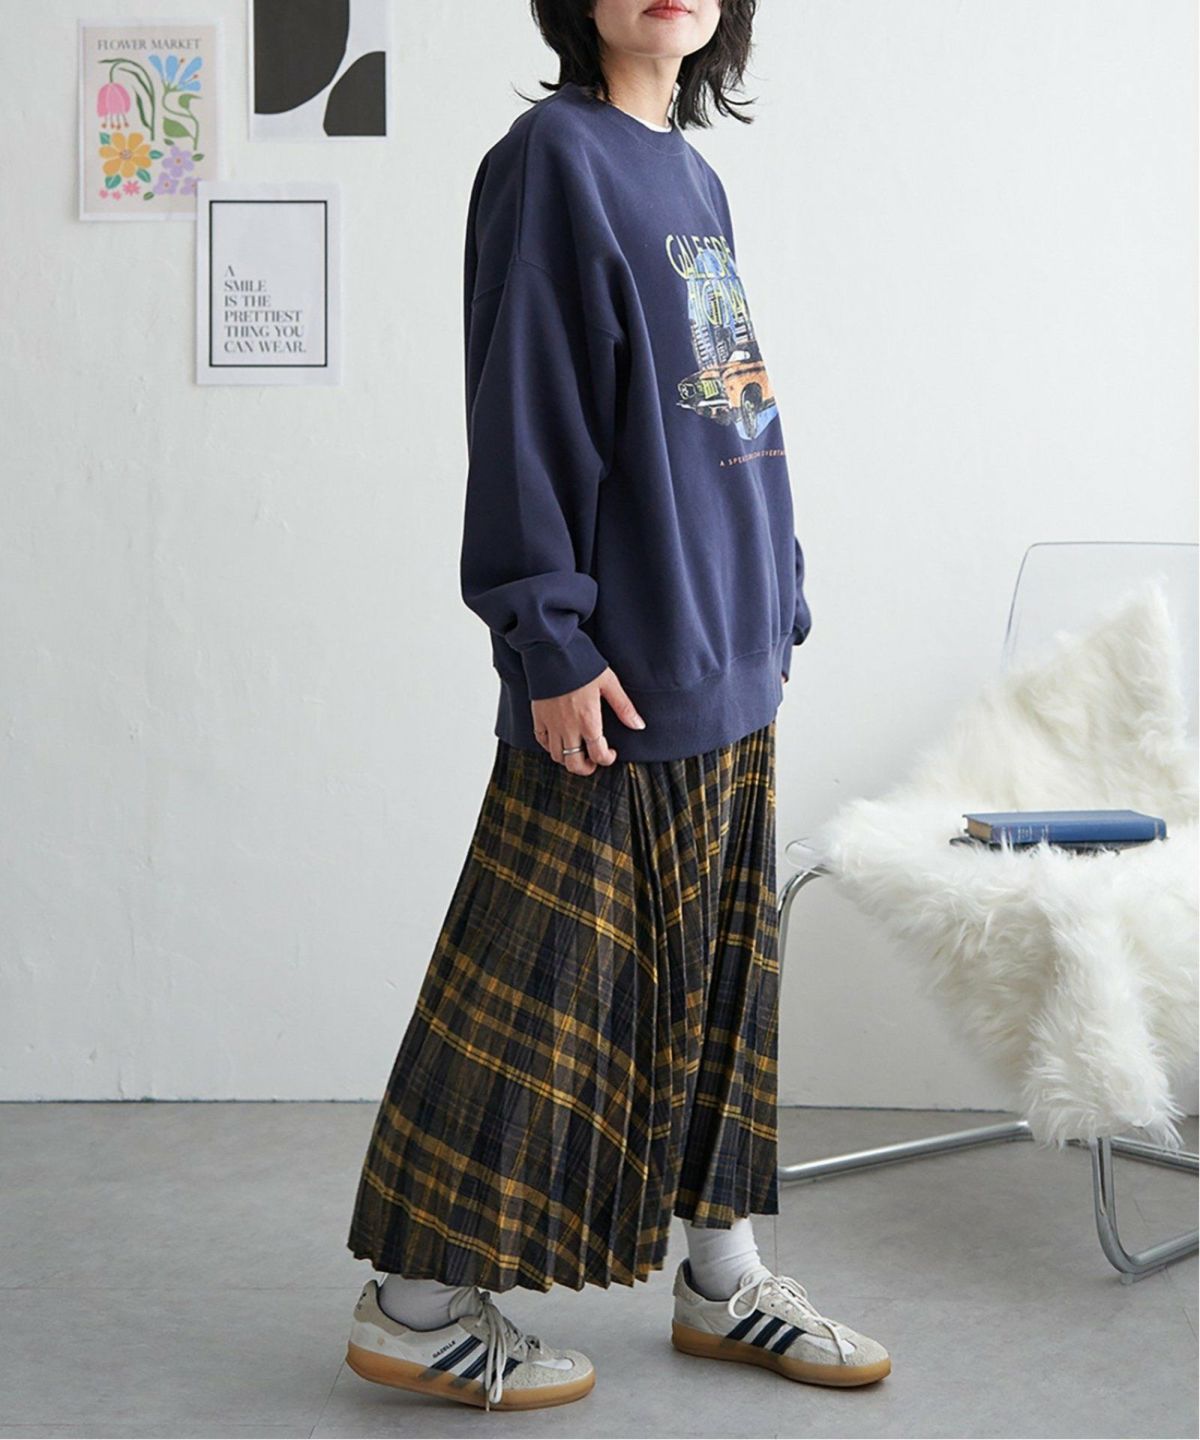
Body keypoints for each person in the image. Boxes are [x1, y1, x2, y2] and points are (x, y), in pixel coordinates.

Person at [342, 0, 890, 1413]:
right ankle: (415, 1308)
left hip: (730, 653)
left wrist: (778, 588)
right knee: (536, 996)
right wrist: (547, 636)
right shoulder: (553, 160)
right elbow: (525, 408)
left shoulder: (693, 177)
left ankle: (722, 1278)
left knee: (719, 995)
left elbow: (732, 410)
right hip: (620, 668)